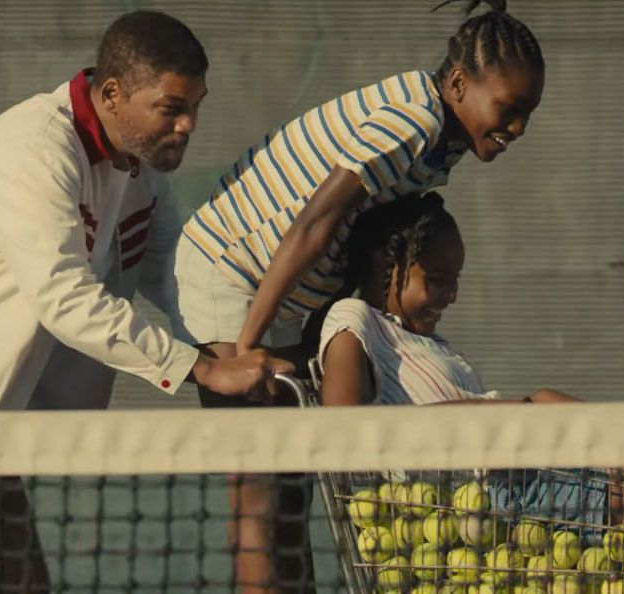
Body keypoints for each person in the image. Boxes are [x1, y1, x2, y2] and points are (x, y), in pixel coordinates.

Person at [0, 11, 291, 594]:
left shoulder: (144, 179)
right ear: (113, 94)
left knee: (22, 581)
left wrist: (238, 353)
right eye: (171, 108)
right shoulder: (35, 146)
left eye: (196, 106)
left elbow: (178, 279)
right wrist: (206, 370)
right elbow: (65, 296)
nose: (189, 124)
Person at [168, 2, 546, 590]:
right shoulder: (413, 121)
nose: (518, 128)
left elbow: (356, 241)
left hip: (282, 301)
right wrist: (244, 347)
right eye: (509, 108)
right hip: (230, 271)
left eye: (528, 114)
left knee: (294, 481)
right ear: (457, 84)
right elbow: (316, 224)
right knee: (258, 484)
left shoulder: (441, 148)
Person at [307, 193, 624, 594]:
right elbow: (345, 431)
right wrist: (501, 413)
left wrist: (522, 411)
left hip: (529, 467)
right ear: (384, 264)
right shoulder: (354, 319)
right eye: (436, 280)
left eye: (455, 281)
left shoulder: (431, 343)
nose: (450, 295)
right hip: (500, 497)